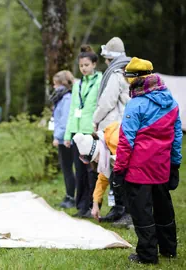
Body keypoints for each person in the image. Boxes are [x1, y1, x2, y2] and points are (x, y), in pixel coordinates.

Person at [113, 57, 182, 264]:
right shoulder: (171, 101)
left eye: (128, 78)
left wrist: (119, 170)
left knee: (142, 213)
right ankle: (169, 249)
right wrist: (175, 164)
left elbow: (126, 141)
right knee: (163, 209)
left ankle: (147, 255)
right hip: (162, 167)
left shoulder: (135, 104)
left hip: (139, 171)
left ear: (136, 79)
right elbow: (177, 135)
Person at [92, 37, 131, 222]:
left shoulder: (116, 74)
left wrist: (95, 119)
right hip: (127, 126)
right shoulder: (131, 71)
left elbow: (107, 101)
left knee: (117, 169)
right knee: (119, 169)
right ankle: (119, 208)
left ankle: (124, 211)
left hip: (115, 127)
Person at [64, 45, 102, 218]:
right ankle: (81, 206)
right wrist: (68, 135)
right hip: (76, 134)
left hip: (91, 133)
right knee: (79, 171)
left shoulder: (100, 81)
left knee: (91, 171)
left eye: (87, 65)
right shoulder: (77, 84)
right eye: (81, 66)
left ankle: (93, 205)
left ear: (94, 64)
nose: (84, 68)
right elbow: (72, 110)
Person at [72, 122, 132, 228]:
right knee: (114, 175)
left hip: (145, 165)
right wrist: (95, 203)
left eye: (95, 158)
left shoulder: (114, 140)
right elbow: (102, 177)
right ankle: (119, 210)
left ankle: (130, 215)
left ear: (96, 149)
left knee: (118, 177)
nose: (96, 161)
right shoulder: (104, 145)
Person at [50, 70, 76, 209]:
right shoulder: (61, 98)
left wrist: (57, 136)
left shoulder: (66, 99)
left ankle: (71, 197)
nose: (54, 87)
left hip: (65, 139)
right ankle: (69, 194)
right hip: (62, 138)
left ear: (62, 84)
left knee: (67, 169)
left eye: (55, 84)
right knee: (66, 169)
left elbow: (64, 120)